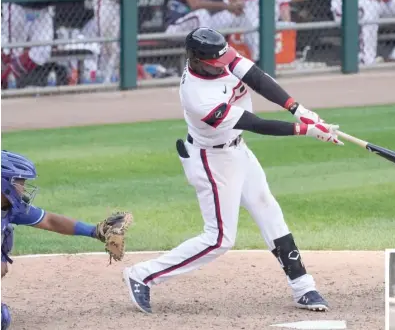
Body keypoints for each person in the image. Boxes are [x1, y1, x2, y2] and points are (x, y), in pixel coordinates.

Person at [122, 27, 341, 314]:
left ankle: (303, 286)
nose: (223, 65)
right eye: (216, 63)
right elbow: (256, 123)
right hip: (212, 161)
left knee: (269, 211)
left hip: (238, 151)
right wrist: (308, 130)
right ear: (196, 60)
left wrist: (297, 108)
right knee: (219, 239)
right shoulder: (197, 96)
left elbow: (257, 79)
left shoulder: (219, 55)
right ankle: (142, 274)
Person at [1, 150, 133, 329]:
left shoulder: (9, 208)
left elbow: (50, 220)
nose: (23, 189)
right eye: (19, 182)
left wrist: (94, 231)